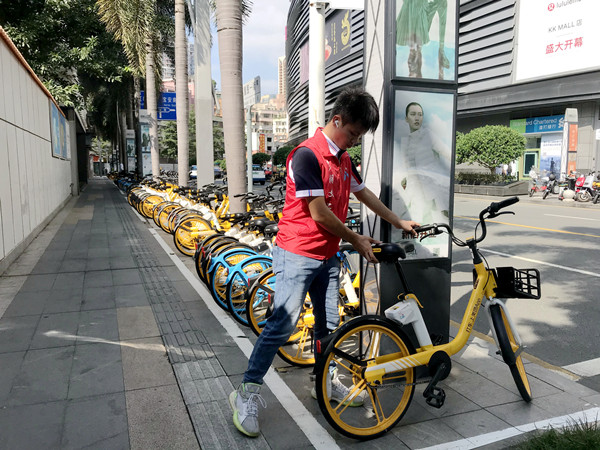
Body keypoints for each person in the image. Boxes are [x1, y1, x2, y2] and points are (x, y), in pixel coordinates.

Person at [229, 86, 419, 437]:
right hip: (297, 254)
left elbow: (364, 193)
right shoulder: (306, 156)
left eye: (359, 136)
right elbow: (318, 212)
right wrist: (356, 239)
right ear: (337, 120)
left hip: (328, 257)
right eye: (353, 133)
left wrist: (397, 221)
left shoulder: (344, 159)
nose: (354, 141)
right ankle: (246, 392)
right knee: (281, 326)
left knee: (329, 326)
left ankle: (325, 381)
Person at [392, 102, 451, 257]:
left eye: (420, 114)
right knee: (414, 221)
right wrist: (403, 182)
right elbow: (406, 168)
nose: (417, 118)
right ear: (406, 118)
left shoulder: (429, 136)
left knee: (426, 223)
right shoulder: (405, 141)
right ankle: (418, 254)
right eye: (413, 114)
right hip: (412, 189)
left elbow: (447, 154)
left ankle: (428, 255)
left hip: (429, 189)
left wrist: (443, 174)